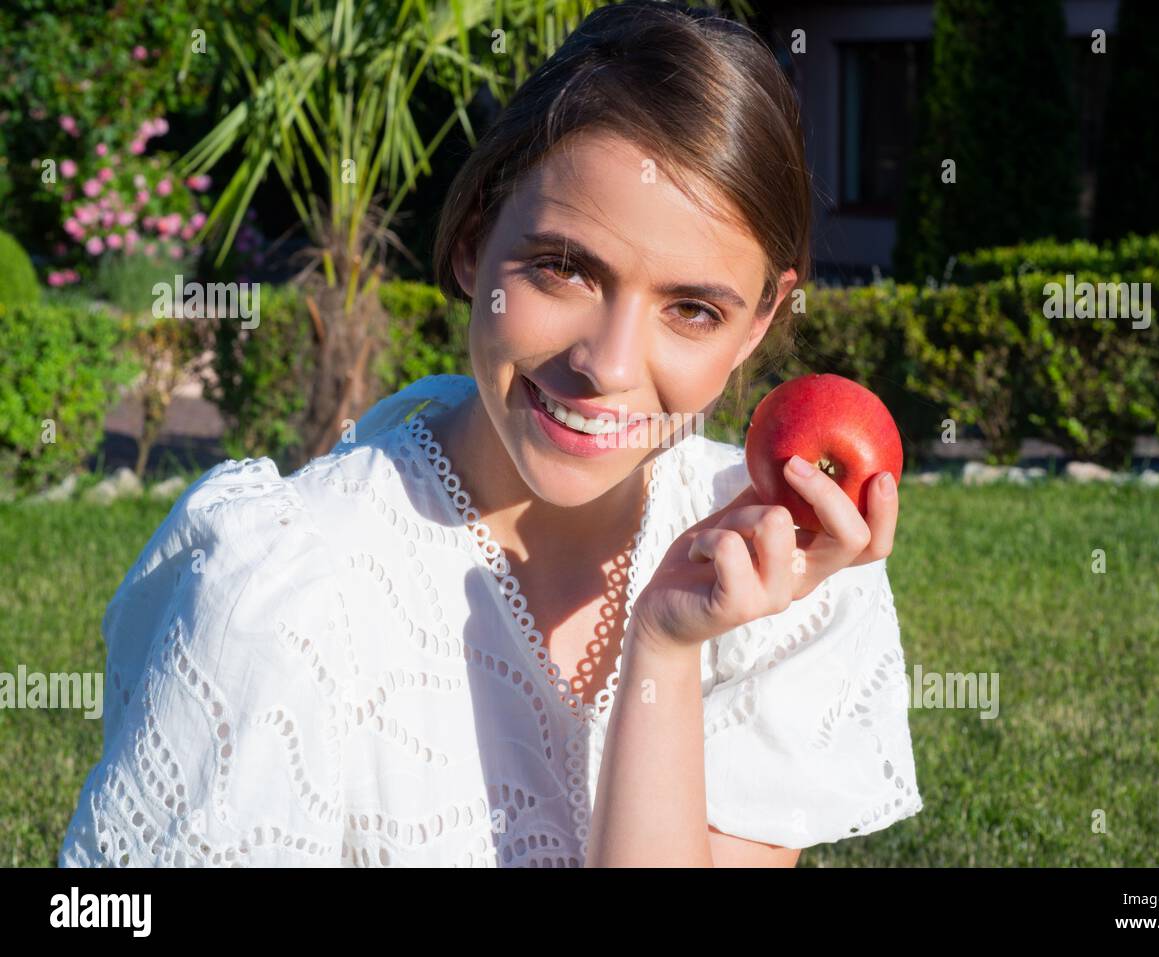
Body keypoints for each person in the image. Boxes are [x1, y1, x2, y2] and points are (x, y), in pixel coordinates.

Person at [59, 0, 922, 869]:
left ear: (758, 322)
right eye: (564, 268)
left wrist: (663, 640)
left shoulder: (782, 578)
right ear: (473, 236)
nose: (609, 365)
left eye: (693, 309)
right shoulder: (286, 595)